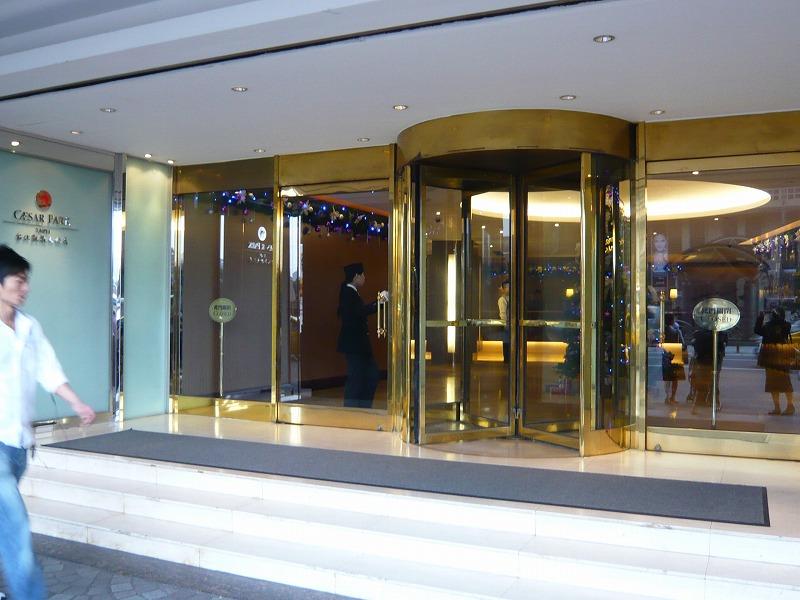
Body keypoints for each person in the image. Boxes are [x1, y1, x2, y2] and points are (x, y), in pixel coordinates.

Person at [0, 245, 96, 600]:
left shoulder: (29, 327)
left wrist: (77, 402)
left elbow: (48, 370)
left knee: (5, 522)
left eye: (26, 281)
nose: (25, 288)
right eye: (18, 281)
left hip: (18, 445)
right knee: (15, 526)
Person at [336, 263, 386, 408]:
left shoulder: (350, 292)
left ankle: (362, 407)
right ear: (356, 276)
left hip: (358, 344)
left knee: (369, 375)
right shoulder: (348, 292)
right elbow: (360, 311)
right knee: (358, 377)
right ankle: (354, 410)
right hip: (355, 344)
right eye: (363, 275)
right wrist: (379, 302)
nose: (364, 277)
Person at [755, 307, 795, 416]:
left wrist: (762, 318)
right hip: (779, 358)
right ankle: (781, 407)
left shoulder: (779, 326)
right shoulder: (781, 325)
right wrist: (762, 318)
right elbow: (757, 330)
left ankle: (786, 407)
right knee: (779, 384)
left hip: (774, 358)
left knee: (780, 384)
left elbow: (758, 330)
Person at [661, 314, 686, 405]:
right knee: (675, 378)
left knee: (667, 377)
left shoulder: (663, 331)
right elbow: (683, 344)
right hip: (675, 352)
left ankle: (666, 396)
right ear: (672, 320)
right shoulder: (676, 330)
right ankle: (672, 397)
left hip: (666, 353)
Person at [497, 280, 510, 363]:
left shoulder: (509, 298)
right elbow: (503, 314)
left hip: (509, 325)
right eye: (507, 287)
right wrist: (505, 325)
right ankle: (507, 361)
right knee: (507, 344)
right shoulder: (502, 299)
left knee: (508, 343)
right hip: (507, 326)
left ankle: (508, 360)